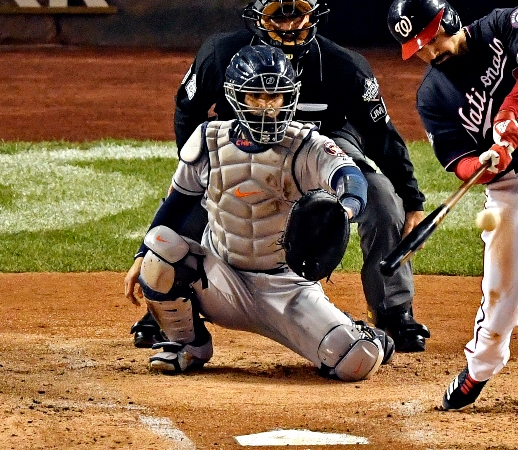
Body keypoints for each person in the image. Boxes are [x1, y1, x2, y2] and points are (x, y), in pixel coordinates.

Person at [130, 0, 431, 353]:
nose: (289, 27)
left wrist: (412, 200)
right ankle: (168, 306)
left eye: (297, 14)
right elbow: (188, 108)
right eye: (278, 16)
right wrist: (203, 167)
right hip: (241, 143)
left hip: (322, 149)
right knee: (202, 196)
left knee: (381, 198)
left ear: (314, 13)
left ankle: (393, 311)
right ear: (258, 15)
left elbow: (381, 135)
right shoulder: (221, 53)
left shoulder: (345, 67)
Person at [387, 0, 518, 448]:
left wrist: (508, 112)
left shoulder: (504, 25)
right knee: (500, 303)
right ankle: (481, 366)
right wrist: (486, 163)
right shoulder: (432, 95)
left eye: (432, 39)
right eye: (418, 48)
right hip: (510, 193)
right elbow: (460, 162)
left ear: (448, 20)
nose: (429, 53)